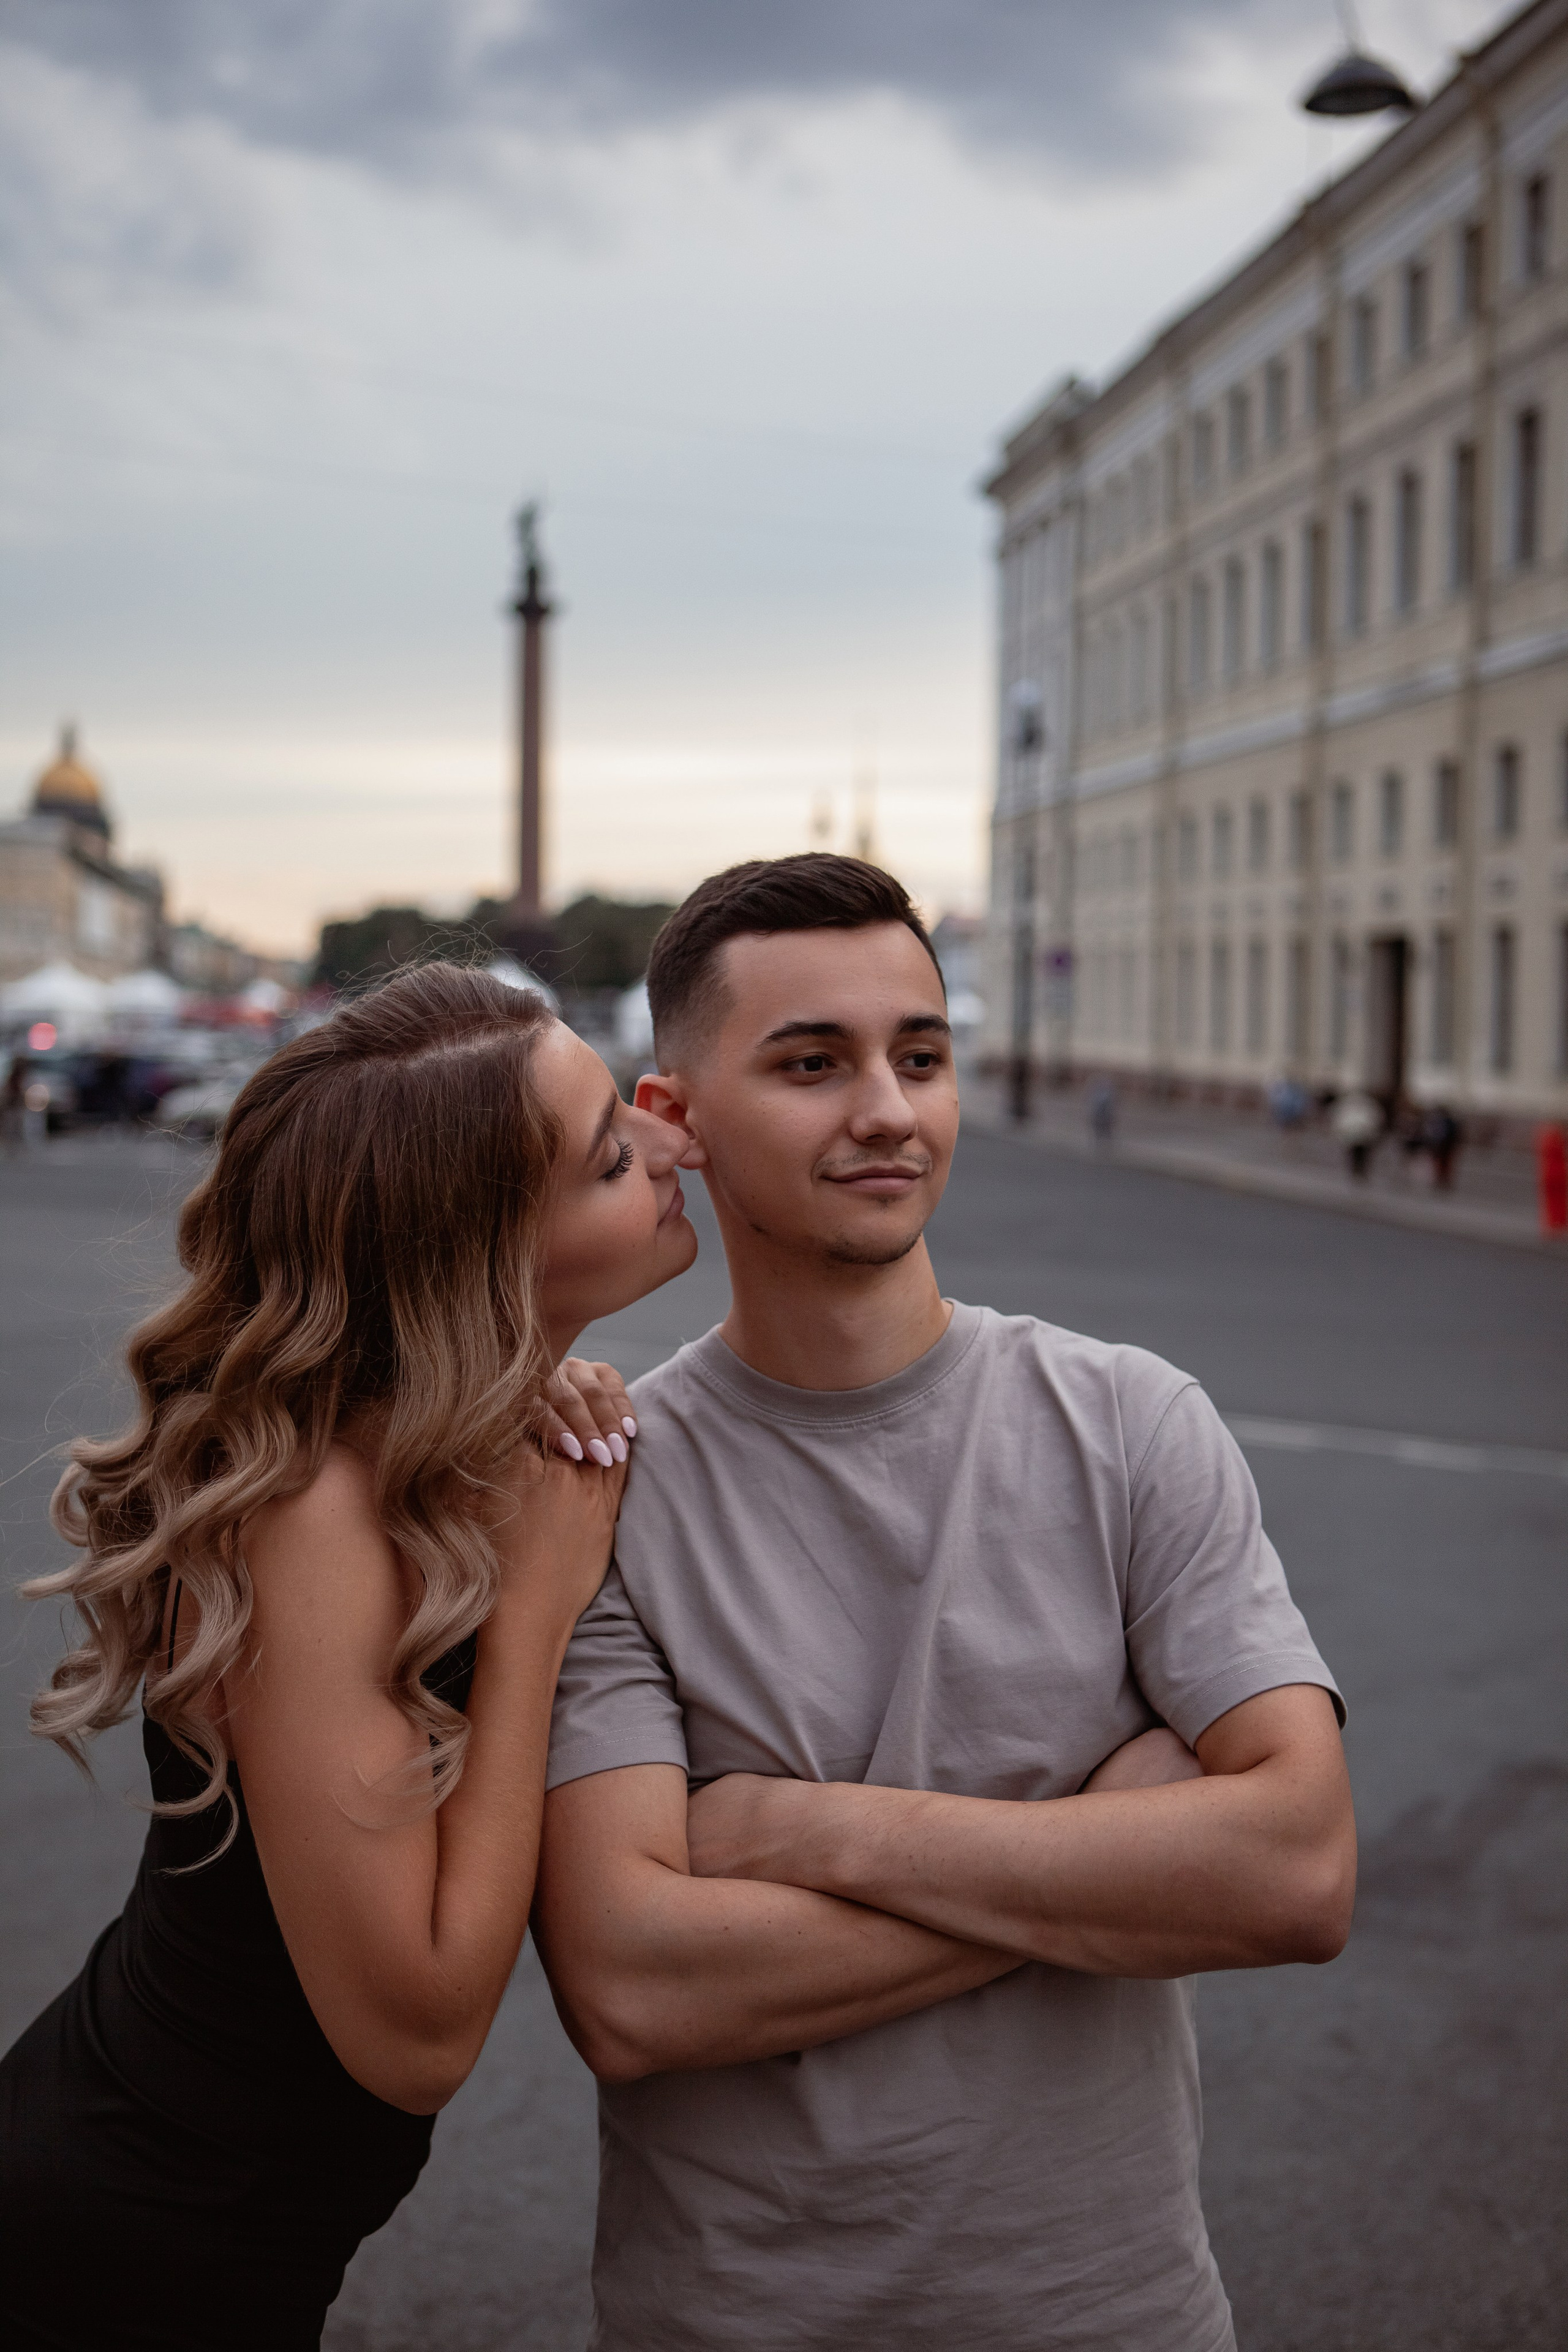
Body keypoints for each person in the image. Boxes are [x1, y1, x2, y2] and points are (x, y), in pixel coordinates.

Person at [533, 854, 1354, 2352]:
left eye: (918, 1056)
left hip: (1109, 2314)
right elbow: (635, 1989)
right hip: (732, 2319)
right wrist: (1106, 1853)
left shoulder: (1131, 1422)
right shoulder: (604, 1487)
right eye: (810, 1063)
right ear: (674, 1117)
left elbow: (1296, 1874)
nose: (887, 1112)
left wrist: (798, 1831)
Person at [0, 963, 696, 2352]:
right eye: (612, 1157)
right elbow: (417, 2037)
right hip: (132, 2255)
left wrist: (528, 1386)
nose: (670, 1137)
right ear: (481, 1260)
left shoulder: (418, 1442)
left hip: (210, 2232)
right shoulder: (312, 1516)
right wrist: (534, 1610)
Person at [1332, 1085, 1383, 1180]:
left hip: (1362, 1135)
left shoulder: (1367, 1104)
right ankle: (1357, 1170)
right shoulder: (1362, 1104)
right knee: (1356, 1154)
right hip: (1355, 1134)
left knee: (1361, 1154)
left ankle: (1359, 1170)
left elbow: (1375, 1118)